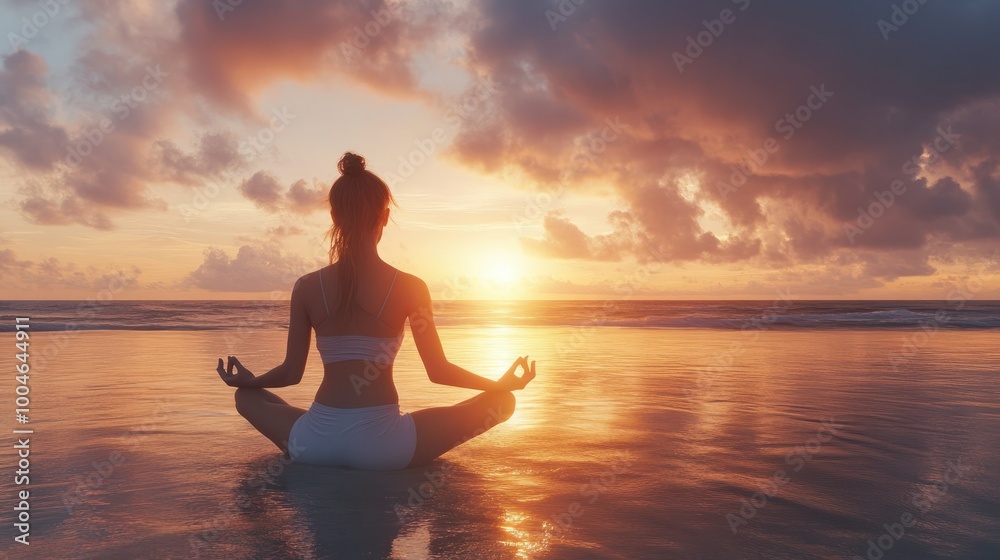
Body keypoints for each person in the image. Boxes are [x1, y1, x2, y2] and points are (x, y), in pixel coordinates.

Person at [216, 152, 536, 470]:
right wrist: (499, 384)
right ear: (384, 216)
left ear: (334, 216)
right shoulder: (411, 287)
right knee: (502, 402)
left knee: (246, 397)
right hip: (386, 447)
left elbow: (291, 374)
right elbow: (438, 371)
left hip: (313, 443)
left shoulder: (306, 286)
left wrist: (249, 381)